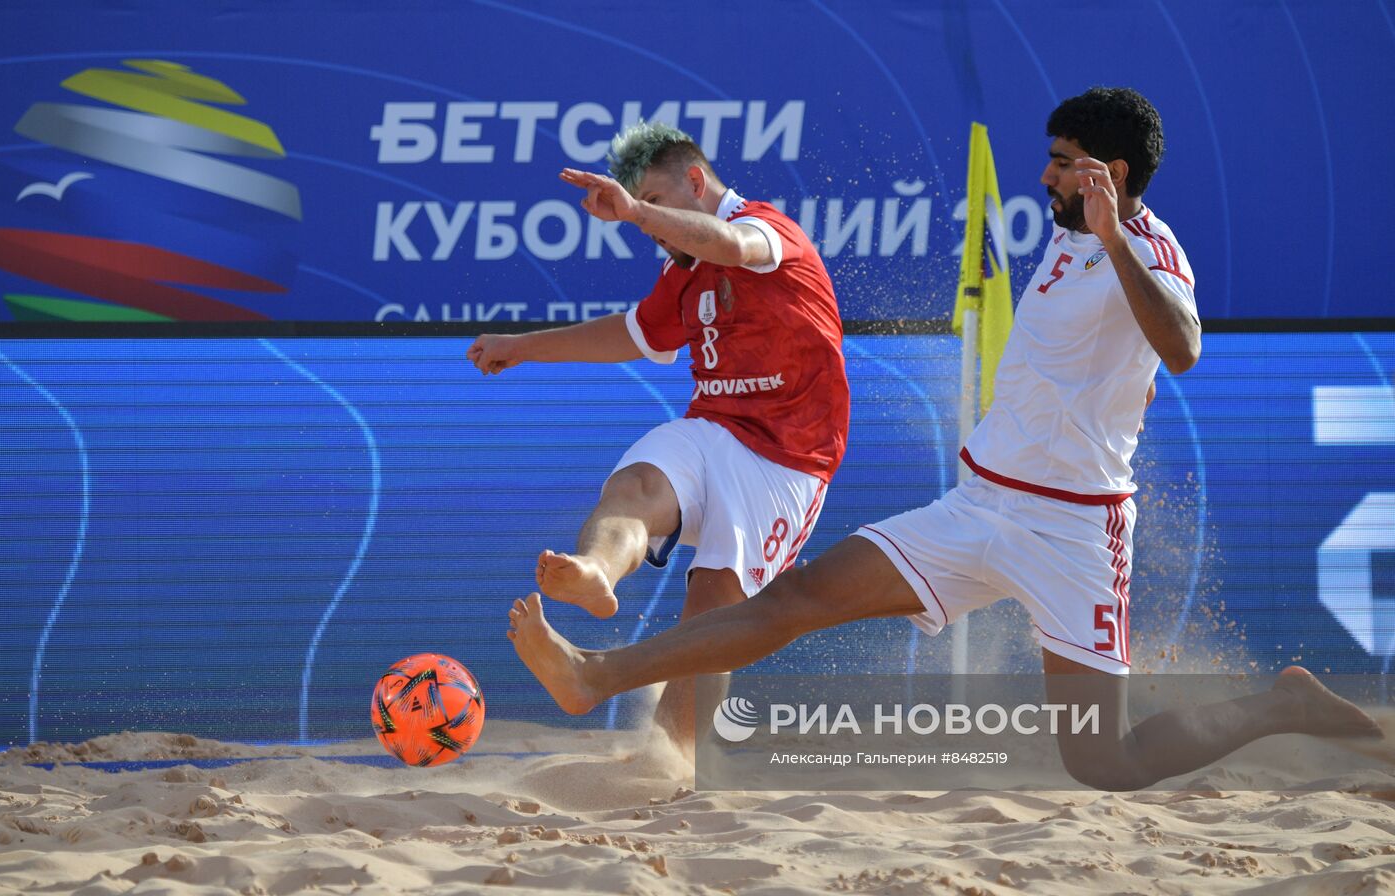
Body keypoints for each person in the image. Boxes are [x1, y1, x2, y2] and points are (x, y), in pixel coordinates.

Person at [507, 88, 1381, 790]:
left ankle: (1280, 707)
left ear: (1110, 174)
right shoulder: (1067, 227)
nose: (1044, 175)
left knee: (1104, 762)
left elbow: (1183, 349)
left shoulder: (1145, 252)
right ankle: (595, 673)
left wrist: (1118, 241)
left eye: (1063, 163)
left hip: (1074, 531)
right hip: (978, 504)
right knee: (791, 604)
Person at [469, 121, 850, 752]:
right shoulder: (683, 272)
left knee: (713, 617)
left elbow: (731, 244)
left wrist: (639, 213)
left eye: (660, 201)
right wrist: (522, 347)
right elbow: (631, 334)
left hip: (789, 460)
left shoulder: (766, 230)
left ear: (697, 182)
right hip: (714, 429)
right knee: (639, 481)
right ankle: (596, 571)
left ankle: (668, 764)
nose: (651, 225)